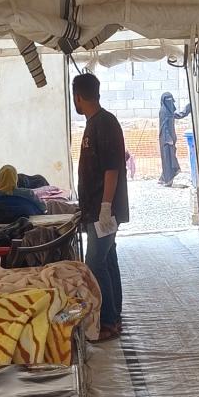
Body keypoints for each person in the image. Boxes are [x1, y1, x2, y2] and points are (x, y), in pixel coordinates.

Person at [73, 72, 128, 340]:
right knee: (107, 259)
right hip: (96, 208)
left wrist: (106, 207)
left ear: (78, 97)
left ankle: (107, 322)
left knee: (94, 262)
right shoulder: (94, 123)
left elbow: (111, 170)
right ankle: (114, 315)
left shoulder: (104, 123)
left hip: (104, 210)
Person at [157, 92, 191, 186]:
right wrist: (169, 139)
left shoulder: (169, 111)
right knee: (168, 158)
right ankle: (168, 180)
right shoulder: (163, 111)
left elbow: (179, 115)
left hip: (170, 139)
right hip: (166, 140)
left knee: (169, 158)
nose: (170, 102)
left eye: (171, 99)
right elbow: (164, 127)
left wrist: (189, 107)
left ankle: (164, 178)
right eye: (168, 100)